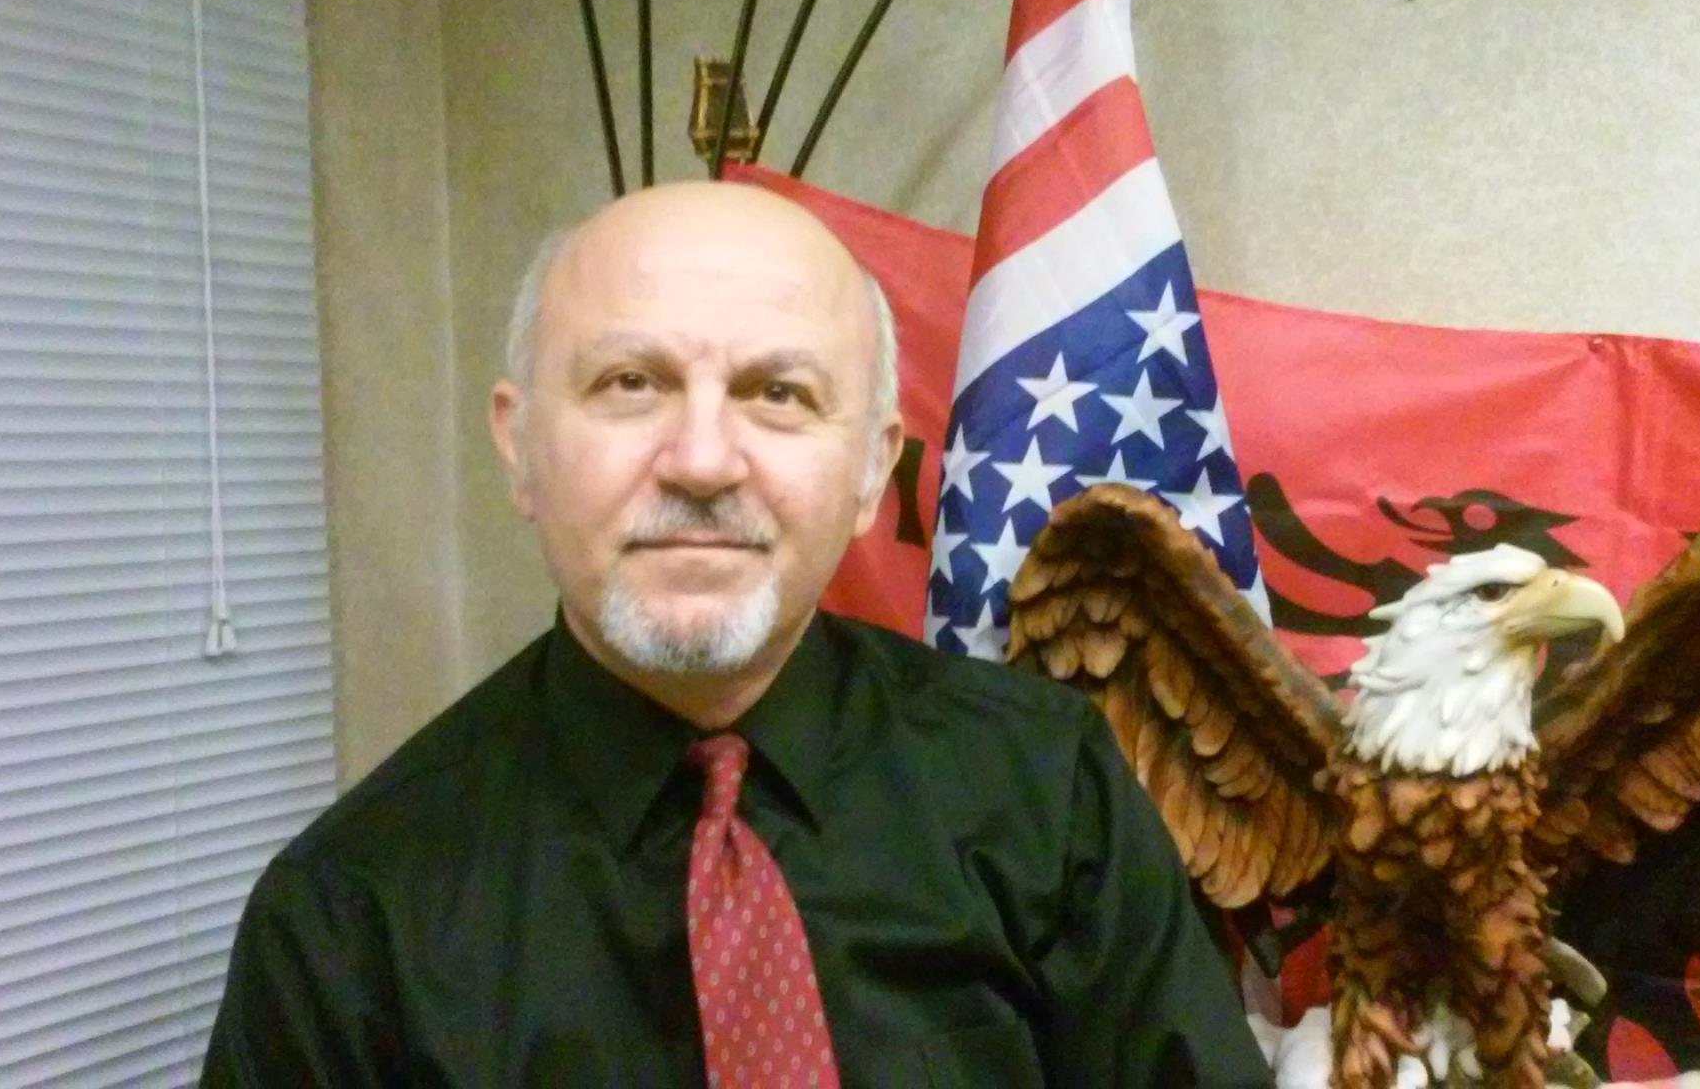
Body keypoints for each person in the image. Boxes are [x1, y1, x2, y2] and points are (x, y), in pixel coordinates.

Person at [201, 181, 1272, 1086]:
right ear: (519, 445)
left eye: (777, 392)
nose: (703, 461)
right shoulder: (346, 917)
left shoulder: (1049, 792)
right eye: (631, 384)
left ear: (870, 471)